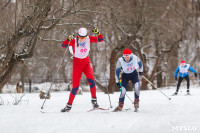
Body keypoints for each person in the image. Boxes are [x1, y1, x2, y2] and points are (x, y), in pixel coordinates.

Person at [61, 27, 104, 112]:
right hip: (77, 64)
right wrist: (68, 39)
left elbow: (101, 39)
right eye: (80, 37)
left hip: (86, 62)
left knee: (92, 82)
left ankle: (94, 101)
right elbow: (63, 45)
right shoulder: (74, 40)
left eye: (83, 37)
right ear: (78, 35)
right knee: (75, 87)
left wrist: (98, 33)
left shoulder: (88, 39)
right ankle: (68, 106)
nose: (82, 39)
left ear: (86, 36)